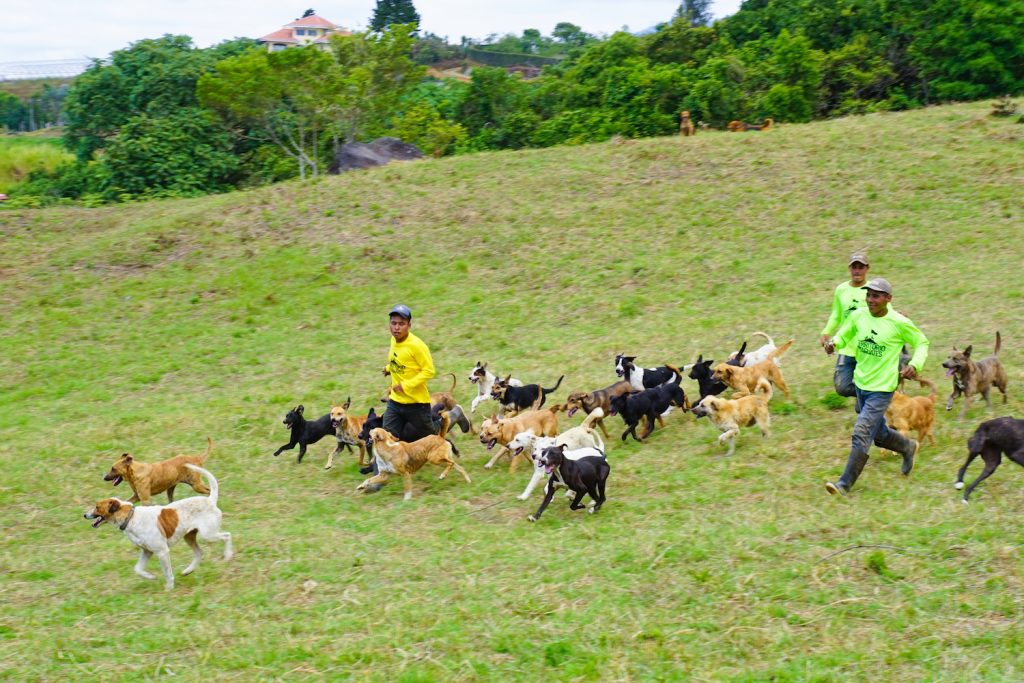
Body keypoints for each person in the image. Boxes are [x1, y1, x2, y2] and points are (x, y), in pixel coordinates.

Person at [823, 277, 928, 495]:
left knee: (862, 431)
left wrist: (915, 365)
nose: (870, 299)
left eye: (876, 296)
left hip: (882, 390)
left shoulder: (898, 322)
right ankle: (907, 447)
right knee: (878, 434)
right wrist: (835, 343)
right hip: (861, 383)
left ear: (888, 299)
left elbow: (921, 343)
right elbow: (845, 334)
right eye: (868, 295)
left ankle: (844, 484)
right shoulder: (859, 315)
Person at [381, 304, 436, 443]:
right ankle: (383, 465)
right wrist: (389, 368)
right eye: (393, 323)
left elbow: (429, 371)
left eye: (401, 324)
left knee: (431, 437)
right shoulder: (393, 340)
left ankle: (450, 419)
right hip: (395, 402)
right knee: (386, 438)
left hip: (416, 404)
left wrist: (406, 385)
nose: (396, 327)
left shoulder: (417, 345)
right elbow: (400, 360)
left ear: (409, 325)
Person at [819, 252, 871, 397]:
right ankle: (867, 397)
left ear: (867, 269)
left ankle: (868, 403)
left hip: (867, 347)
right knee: (842, 387)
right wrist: (826, 330)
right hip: (846, 346)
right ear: (849, 269)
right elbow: (836, 314)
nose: (857, 271)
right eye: (854, 267)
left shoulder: (873, 289)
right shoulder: (841, 290)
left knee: (868, 382)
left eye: (861, 267)